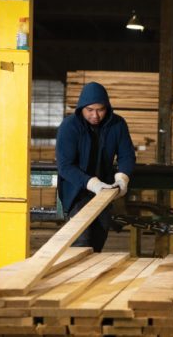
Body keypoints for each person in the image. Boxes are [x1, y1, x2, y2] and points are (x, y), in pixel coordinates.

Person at [56, 82, 136, 252]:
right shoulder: (69, 126)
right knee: (81, 242)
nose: (95, 115)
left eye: (100, 109)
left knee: (98, 240)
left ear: (107, 108)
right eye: (90, 110)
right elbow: (65, 166)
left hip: (106, 190)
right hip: (77, 192)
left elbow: (126, 155)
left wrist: (122, 178)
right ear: (81, 108)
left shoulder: (117, 124)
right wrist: (93, 183)